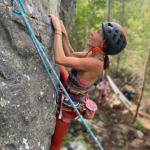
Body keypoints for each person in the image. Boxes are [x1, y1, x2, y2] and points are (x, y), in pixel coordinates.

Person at [48, 14, 127, 150]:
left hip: (68, 108)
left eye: (98, 33)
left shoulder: (96, 64)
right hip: (70, 89)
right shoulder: (91, 55)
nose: (92, 33)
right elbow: (70, 54)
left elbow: (60, 58)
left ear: (103, 44)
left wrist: (58, 31)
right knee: (59, 69)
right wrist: (65, 34)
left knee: (55, 146)